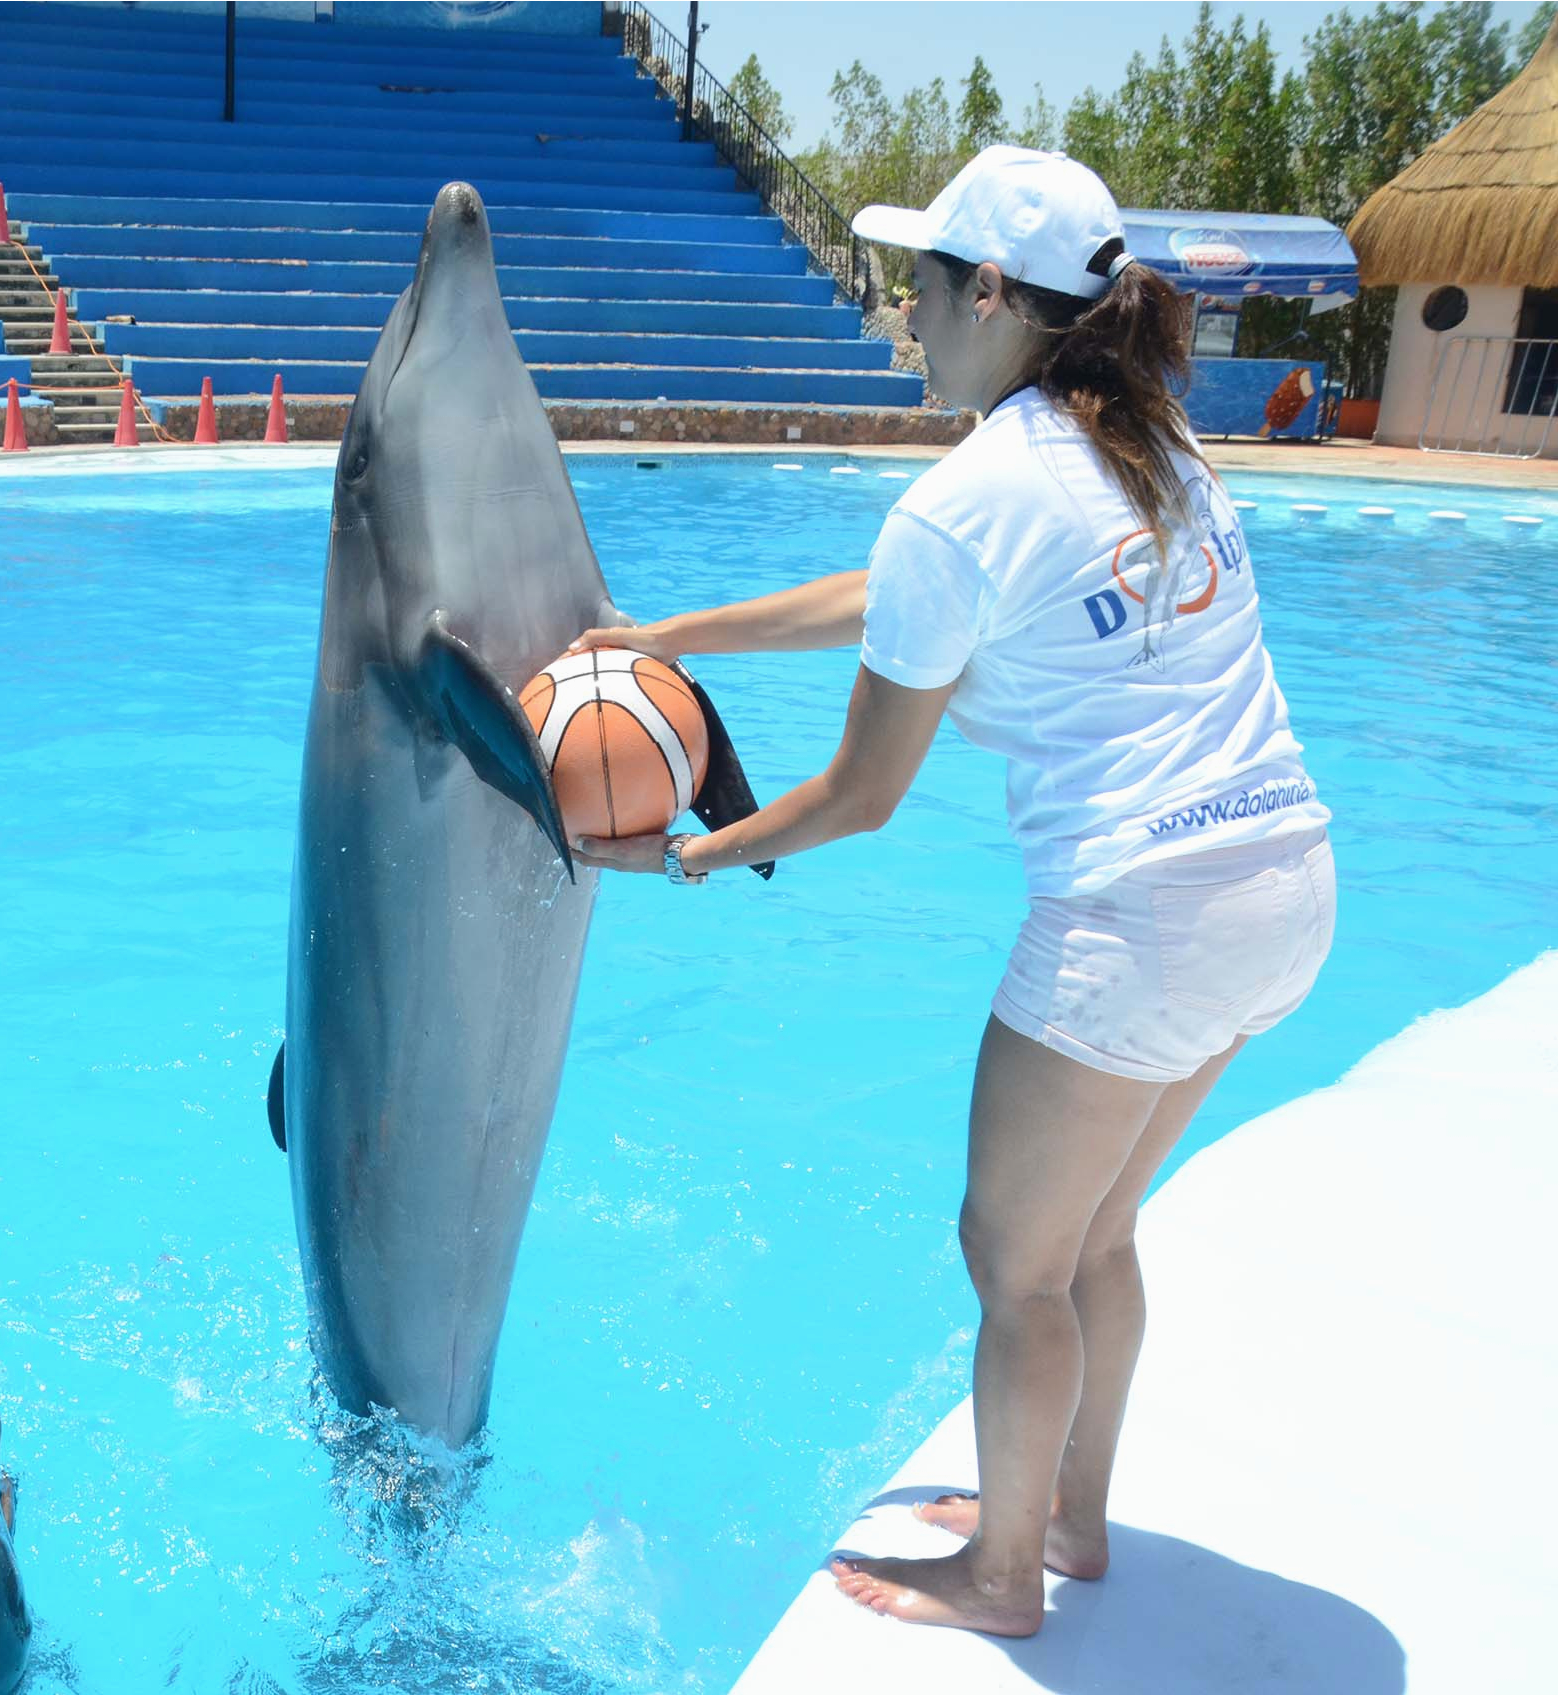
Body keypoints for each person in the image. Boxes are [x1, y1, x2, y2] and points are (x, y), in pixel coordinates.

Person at [566, 146, 1334, 1638]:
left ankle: (1000, 1576)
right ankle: (1072, 1521)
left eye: (914, 285)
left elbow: (861, 797)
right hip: (1283, 885)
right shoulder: (1151, 444)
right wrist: (672, 634)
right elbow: (892, 604)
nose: (902, 313)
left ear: (988, 292)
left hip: (1140, 922)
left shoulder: (966, 497)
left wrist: (682, 855)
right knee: (1096, 1236)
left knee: (1013, 1261)